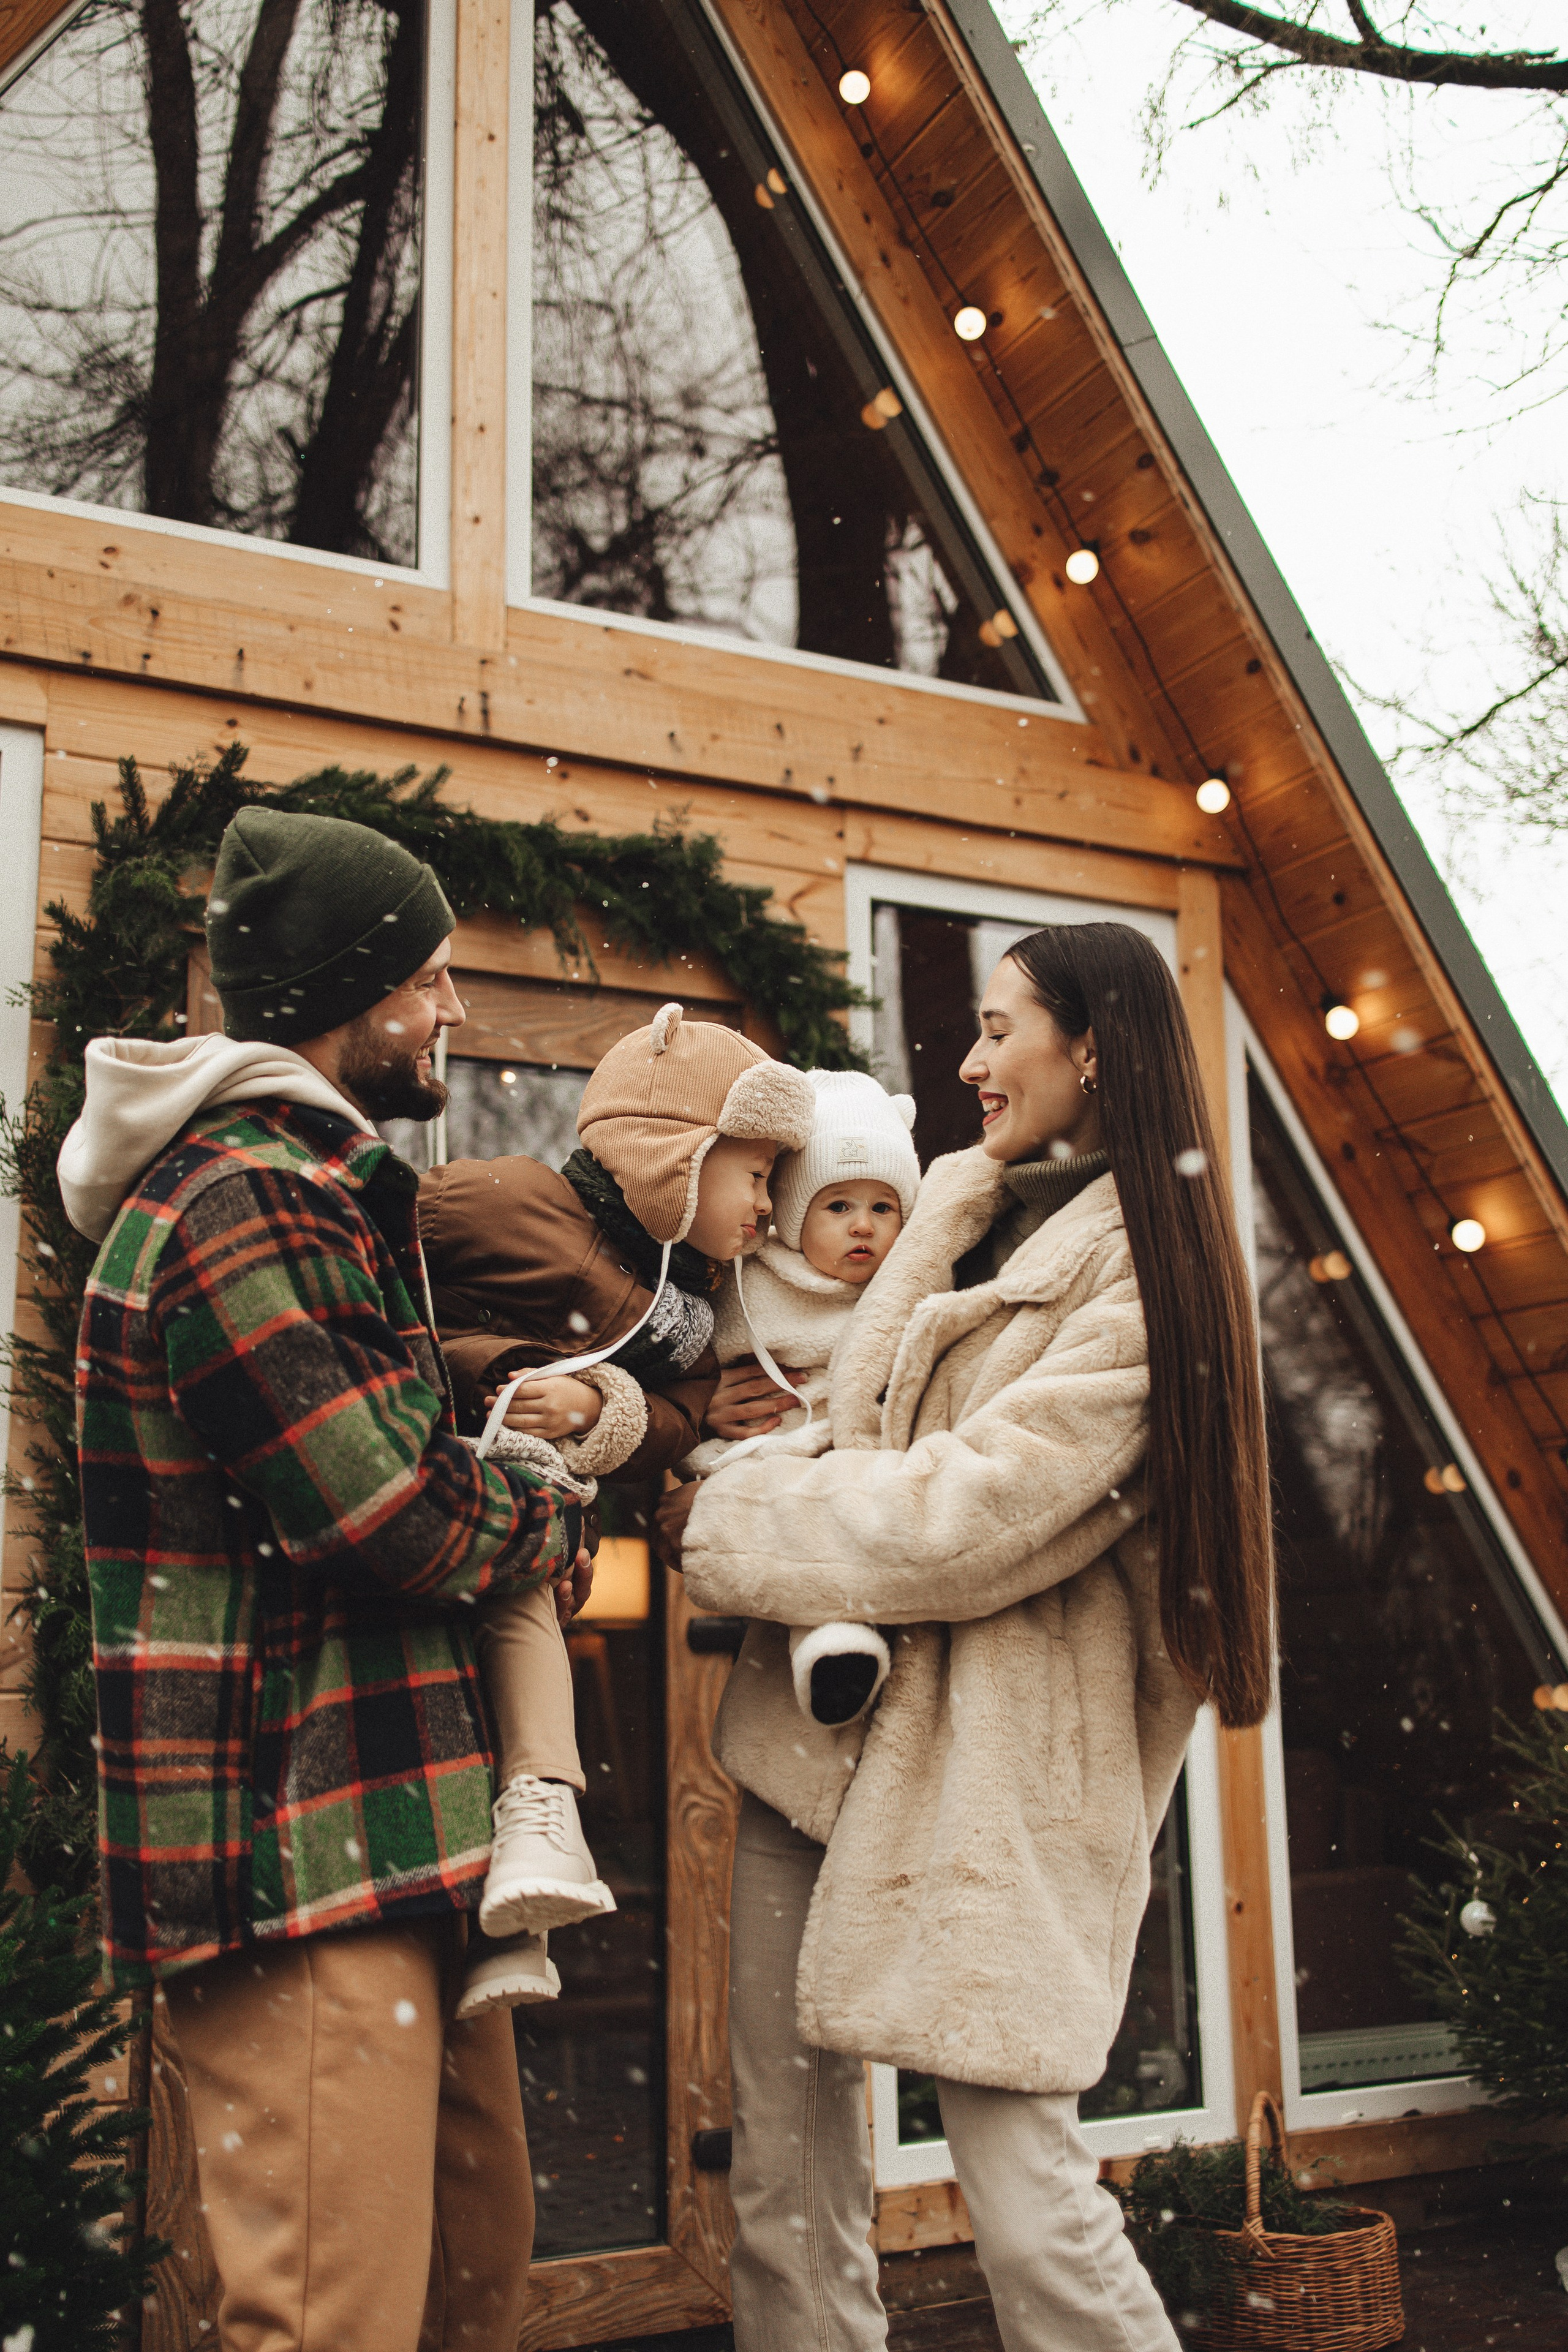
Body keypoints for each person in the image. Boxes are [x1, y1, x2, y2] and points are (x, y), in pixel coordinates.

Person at [657, 921, 1274, 2352]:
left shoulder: (1144, 1278)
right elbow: (857, 1420)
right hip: (818, 1744)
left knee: (1026, 2191)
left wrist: (738, 1525)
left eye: (1000, 1030)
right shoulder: (962, 1213)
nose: (968, 1058)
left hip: (1001, 1773)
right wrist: (713, 1432)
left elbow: (973, 1514)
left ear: (1092, 1048)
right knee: (785, 2183)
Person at [59, 807, 587, 2352]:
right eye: (428, 980)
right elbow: (386, 1510)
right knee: (329, 2320)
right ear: (356, 998)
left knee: (462, 2291)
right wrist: (547, 1515)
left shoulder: (326, 1190)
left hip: (397, 1839)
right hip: (290, 1857)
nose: (449, 1012)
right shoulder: (244, 1198)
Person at [415, 1001, 813, 2018]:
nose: (767, 1204)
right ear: (673, 1153)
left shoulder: (690, 1294)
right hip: (444, 1487)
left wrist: (606, 1406)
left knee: (508, 1669)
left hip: (535, 1515)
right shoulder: (500, 1200)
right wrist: (498, 1377)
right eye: (754, 1172)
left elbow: (685, 1411)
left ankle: (515, 1928)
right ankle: (538, 1823)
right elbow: (383, 1300)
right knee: (474, 1685)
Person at [682, 1069, 919, 1725]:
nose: (862, 1227)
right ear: (792, 1215)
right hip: (774, 1447)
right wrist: (705, 1396)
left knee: (845, 1516)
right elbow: (694, 1354)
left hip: (858, 1456)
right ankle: (829, 1646)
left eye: (882, 1207)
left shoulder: (906, 1292)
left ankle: (839, 1650)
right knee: (798, 1521)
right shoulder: (748, 1281)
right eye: (837, 1207)